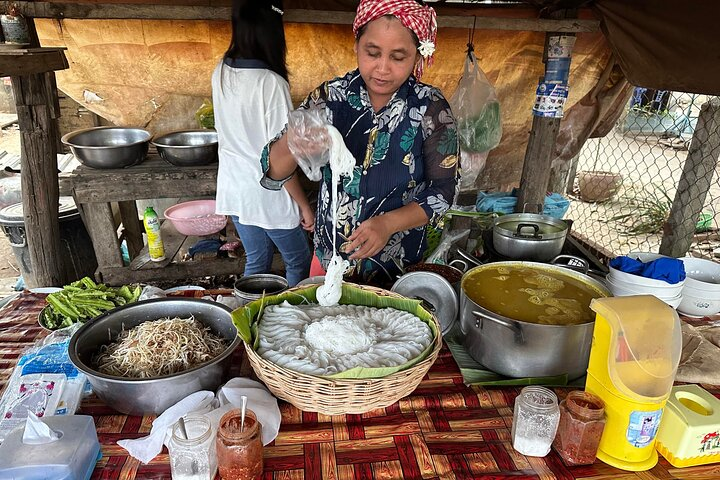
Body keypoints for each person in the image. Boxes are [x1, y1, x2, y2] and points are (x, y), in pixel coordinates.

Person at [259, 0, 459, 286]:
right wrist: (294, 142)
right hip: (331, 260)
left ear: (417, 56)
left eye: (398, 57)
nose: (383, 68)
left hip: (397, 266)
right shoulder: (330, 98)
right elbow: (274, 170)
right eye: (372, 53)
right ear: (356, 45)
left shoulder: (430, 108)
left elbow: (444, 190)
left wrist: (388, 224)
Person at [212, 0, 313, 286]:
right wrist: (304, 206)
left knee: (257, 260)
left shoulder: (221, 70)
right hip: (268, 194)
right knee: (298, 260)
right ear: (273, 32)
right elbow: (280, 159)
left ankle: (248, 323)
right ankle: (291, 323)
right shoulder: (271, 83)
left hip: (236, 188)